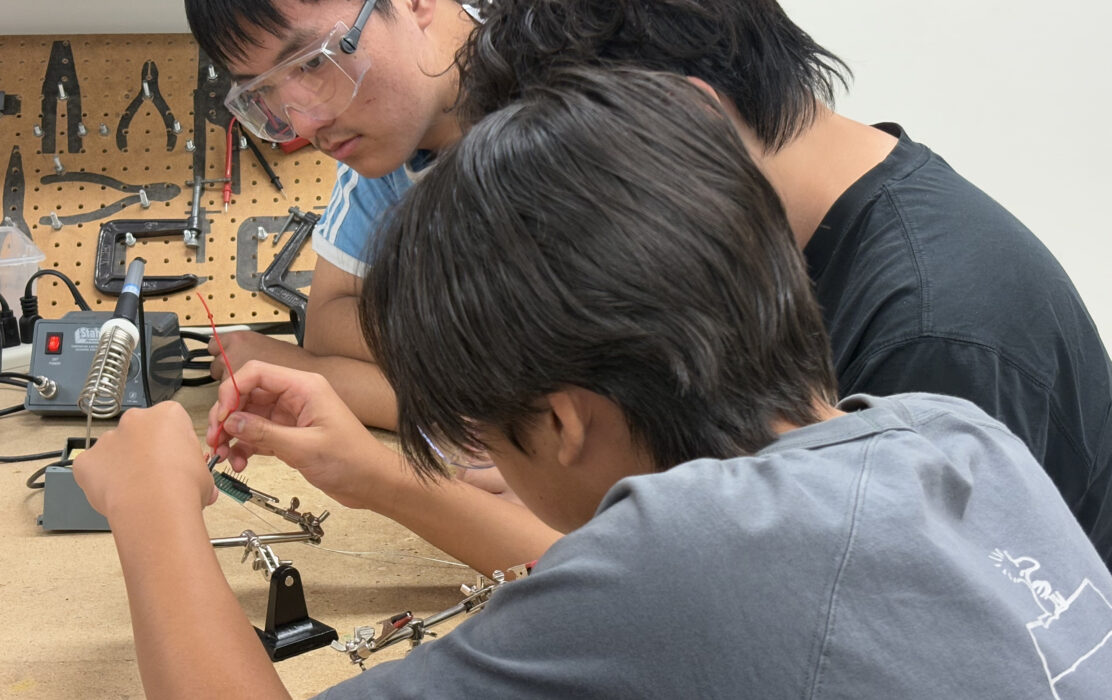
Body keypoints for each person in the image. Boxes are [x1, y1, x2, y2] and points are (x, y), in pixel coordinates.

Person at [74, 67, 1112, 698]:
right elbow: (639, 580)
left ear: (565, 422)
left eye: (486, 437)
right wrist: (375, 474)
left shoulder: (685, 569)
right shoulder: (946, 435)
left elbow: (643, 582)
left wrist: (152, 504)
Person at [453, 0, 1112, 565]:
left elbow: (867, 626)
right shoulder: (790, 252)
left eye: (577, 194)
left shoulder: (930, 336)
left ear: (690, 121)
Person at [184, 0, 487, 431]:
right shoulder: (390, 143)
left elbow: (527, 414)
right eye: (263, 91)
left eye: (311, 62)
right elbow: (327, 324)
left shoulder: (586, 104)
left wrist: (307, 373)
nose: (305, 124)